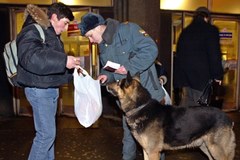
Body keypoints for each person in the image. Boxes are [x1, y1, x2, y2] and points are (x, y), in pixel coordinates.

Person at [78, 12, 165, 160]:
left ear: (99, 27)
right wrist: (106, 76)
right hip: (127, 103)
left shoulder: (128, 30)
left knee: (154, 143)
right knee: (129, 138)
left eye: (90, 35)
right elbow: (110, 67)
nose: (91, 41)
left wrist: (128, 68)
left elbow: (151, 49)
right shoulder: (103, 44)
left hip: (148, 98)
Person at [16, 3, 80, 160]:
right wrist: (64, 60)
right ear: (53, 17)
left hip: (48, 88)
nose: (65, 28)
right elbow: (31, 58)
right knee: (46, 135)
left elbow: (50, 66)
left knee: (48, 136)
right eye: (65, 23)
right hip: (39, 90)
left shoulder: (50, 34)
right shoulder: (32, 30)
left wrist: (73, 72)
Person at [173, 6, 224, 107]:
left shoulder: (185, 31)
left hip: (185, 79)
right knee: (201, 109)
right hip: (202, 79)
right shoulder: (210, 30)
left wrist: (178, 81)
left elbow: (178, 56)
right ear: (207, 18)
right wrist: (217, 75)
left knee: (187, 106)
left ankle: (183, 122)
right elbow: (214, 55)